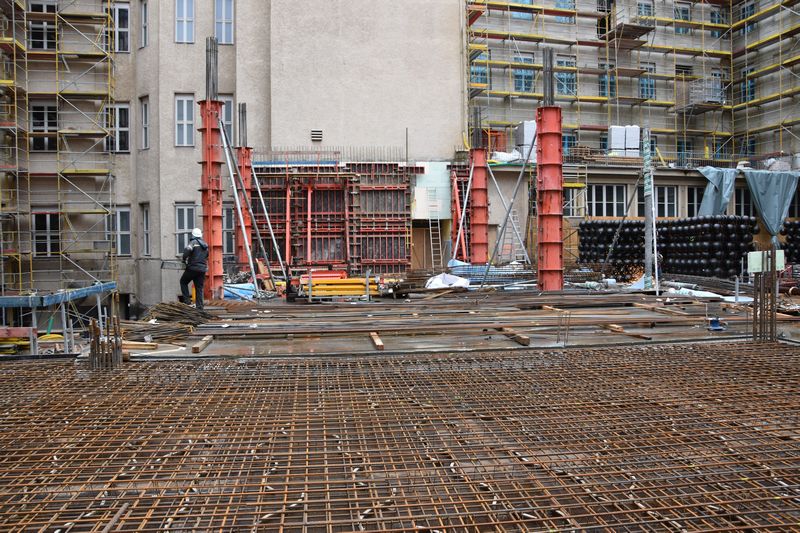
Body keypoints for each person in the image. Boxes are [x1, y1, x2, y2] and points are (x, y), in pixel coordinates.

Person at [180, 228, 209, 309]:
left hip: (192, 268)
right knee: (199, 288)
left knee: (183, 282)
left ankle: (187, 302)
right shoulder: (205, 245)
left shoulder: (193, 242)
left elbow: (187, 250)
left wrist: (184, 259)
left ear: (193, 235)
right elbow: (207, 255)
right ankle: (200, 307)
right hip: (202, 269)